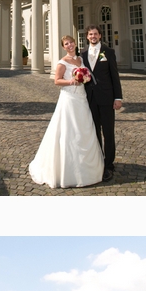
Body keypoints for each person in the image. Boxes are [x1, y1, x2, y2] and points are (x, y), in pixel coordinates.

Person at [29, 35, 105, 188]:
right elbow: (57, 80)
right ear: (63, 47)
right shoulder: (62, 62)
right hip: (69, 98)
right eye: (66, 44)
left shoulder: (81, 59)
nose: (69, 45)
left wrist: (86, 78)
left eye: (71, 42)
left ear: (75, 43)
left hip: (82, 98)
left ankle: (88, 168)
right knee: (68, 131)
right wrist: (72, 81)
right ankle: (67, 169)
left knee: (85, 129)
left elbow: (88, 74)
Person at [80, 26, 122, 182]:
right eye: (90, 34)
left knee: (108, 132)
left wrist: (118, 98)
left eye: (95, 34)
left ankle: (109, 164)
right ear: (87, 36)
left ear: (100, 35)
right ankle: (98, 161)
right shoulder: (82, 54)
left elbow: (114, 76)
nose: (93, 36)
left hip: (107, 98)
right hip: (90, 99)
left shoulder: (108, 52)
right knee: (94, 131)